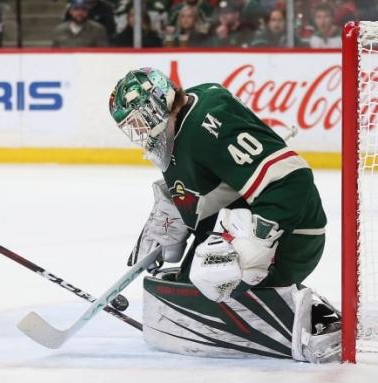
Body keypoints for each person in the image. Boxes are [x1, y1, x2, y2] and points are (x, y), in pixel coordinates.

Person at [108, 67, 341, 363]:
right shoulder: (175, 128)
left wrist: (257, 241)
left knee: (214, 272)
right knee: (191, 280)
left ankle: (316, 314)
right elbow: (211, 184)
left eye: (140, 121)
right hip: (242, 216)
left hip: (295, 233)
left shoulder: (207, 122)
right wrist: (175, 212)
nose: (139, 132)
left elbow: (292, 180)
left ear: (157, 104)